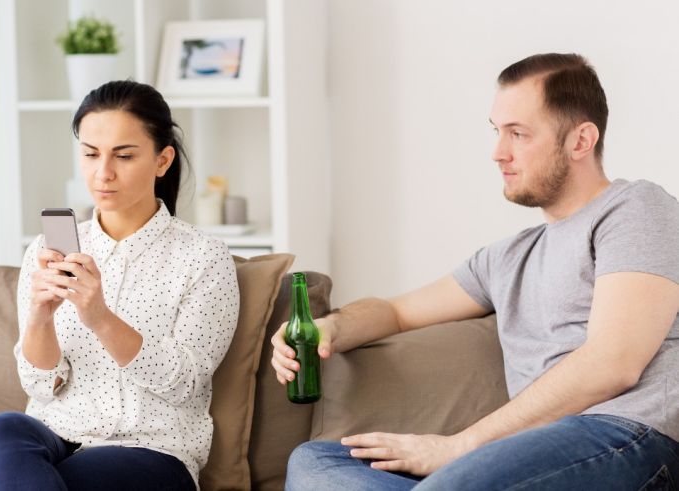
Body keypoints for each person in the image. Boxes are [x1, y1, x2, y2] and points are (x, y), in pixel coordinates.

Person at [275, 53, 679, 490]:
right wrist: (330, 327)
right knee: (316, 462)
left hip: (625, 438)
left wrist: (459, 446)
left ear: (580, 140)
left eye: (518, 134)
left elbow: (612, 364)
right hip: (520, 457)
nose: (497, 153)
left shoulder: (637, 209)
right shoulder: (506, 258)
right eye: (497, 131)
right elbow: (397, 312)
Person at [0, 80, 240, 490]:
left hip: (152, 452)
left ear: (162, 160)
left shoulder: (203, 258)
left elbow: (184, 383)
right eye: (91, 154)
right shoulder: (46, 250)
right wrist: (40, 318)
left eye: (124, 155)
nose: (103, 173)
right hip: (57, 436)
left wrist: (99, 318)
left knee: (45, 480)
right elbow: (41, 386)